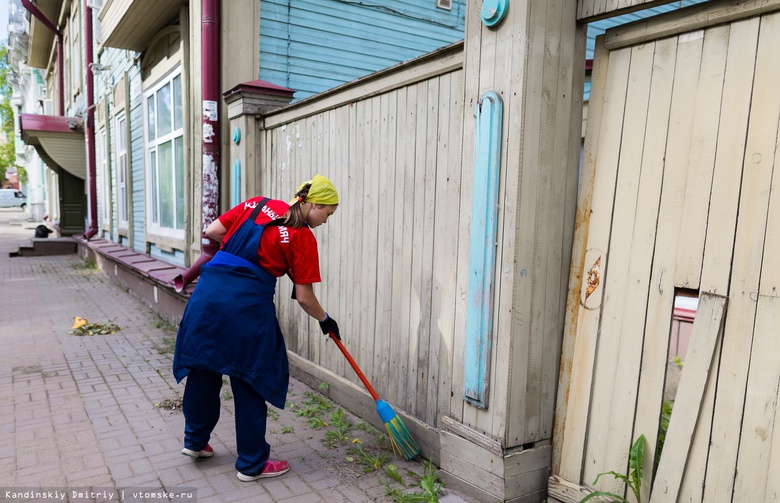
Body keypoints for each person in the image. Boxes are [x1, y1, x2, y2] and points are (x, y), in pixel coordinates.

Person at [172, 174, 341, 482]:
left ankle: (195, 443)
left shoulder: (256, 203)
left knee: (203, 367)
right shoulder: (301, 236)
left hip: (207, 297)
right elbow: (304, 297)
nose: (326, 221)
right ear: (313, 203)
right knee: (249, 376)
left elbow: (212, 231)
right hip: (245, 307)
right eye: (327, 213)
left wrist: (245, 255)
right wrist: (325, 319)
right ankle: (252, 464)